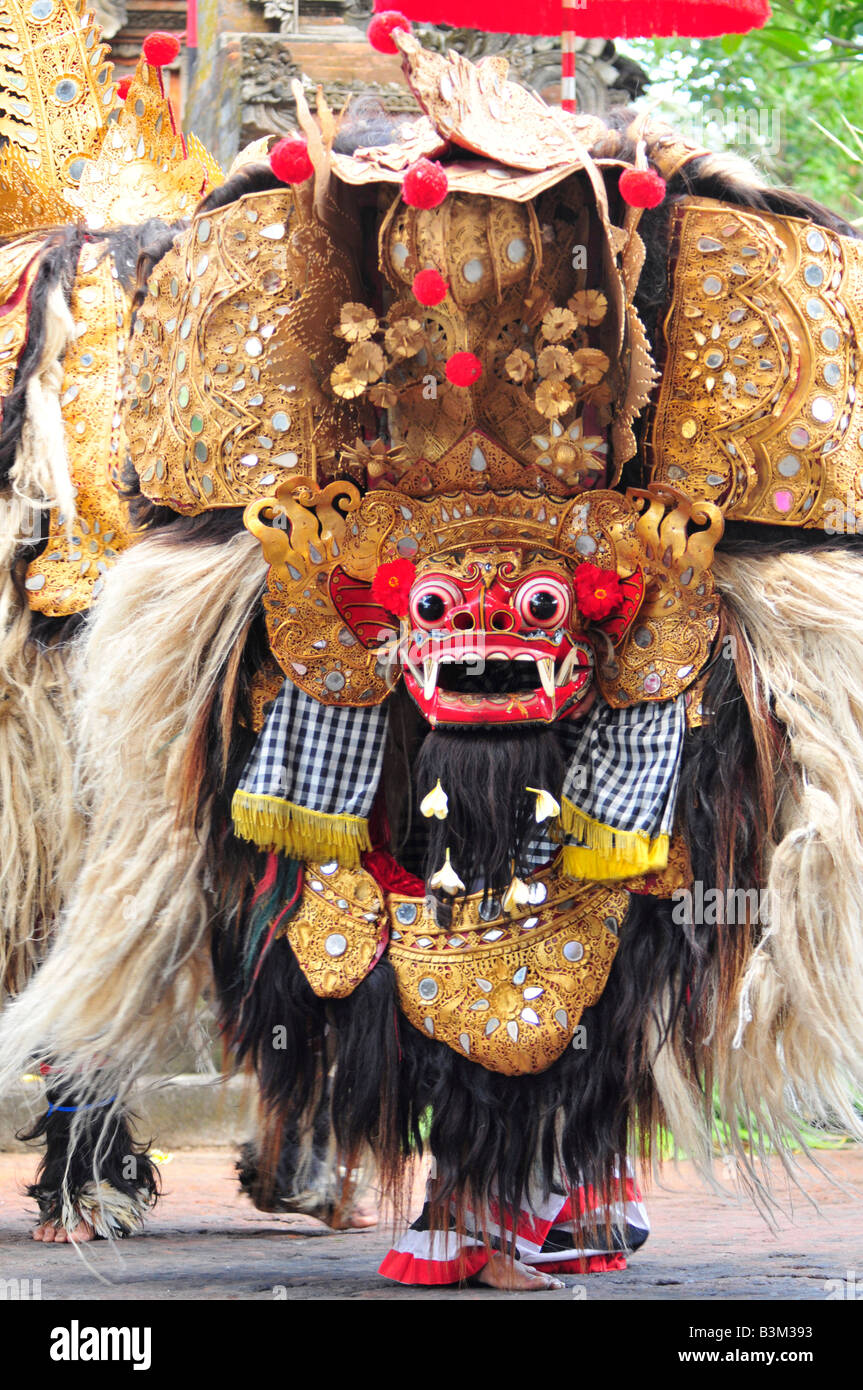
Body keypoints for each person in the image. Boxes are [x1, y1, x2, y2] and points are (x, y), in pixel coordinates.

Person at [3, 18, 863, 1294]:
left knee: (618, 931)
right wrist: (312, 579)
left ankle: (543, 1179)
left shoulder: (677, 362)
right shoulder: (284, 334)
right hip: (396, 674)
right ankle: (488, 1187)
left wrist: (658, 584)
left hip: (602, 653)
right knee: (396, 928)